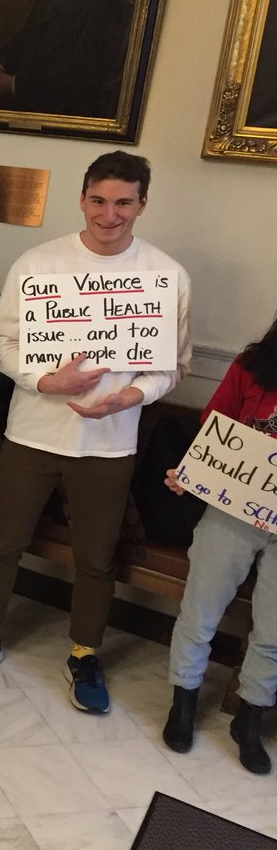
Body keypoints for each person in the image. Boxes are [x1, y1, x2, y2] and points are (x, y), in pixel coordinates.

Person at [0, 151, 191, 716]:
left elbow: (174, 365)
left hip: (109, 444)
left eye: (123, 202)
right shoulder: (38, 264)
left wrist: (132, 396)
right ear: (81, 199)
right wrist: (45, 380)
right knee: (3, 542)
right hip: (31, 434)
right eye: (98, 200)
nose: (109, 214)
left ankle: (84, 653)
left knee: (97, 558)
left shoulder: (167, 276)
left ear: (142, 204)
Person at [161, 316, 277, 775]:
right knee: (200, 611)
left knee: (274, 631)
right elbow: (215, 429)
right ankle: (183, 701)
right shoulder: (252, 365)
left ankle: (250, 718)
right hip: (234, 508)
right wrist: (191, 475)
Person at [0, 0, 133, 118]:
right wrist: (0, 66)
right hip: (27, 103)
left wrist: (14, 84)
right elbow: (25, 37)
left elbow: (85, 76)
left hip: (68, 114)